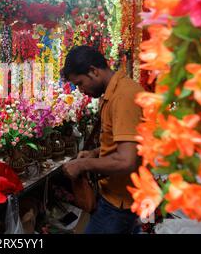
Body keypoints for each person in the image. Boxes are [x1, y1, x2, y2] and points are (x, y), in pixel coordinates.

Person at [61, 46, 143, 234]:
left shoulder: (124, 96)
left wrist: (84, 165)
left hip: (121, 203)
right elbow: (124, 143)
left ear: (93, 71)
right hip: (115, 196)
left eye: (80, 83)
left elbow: (126, 160)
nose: (81, 90)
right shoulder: (114, 92)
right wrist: (94, 153)